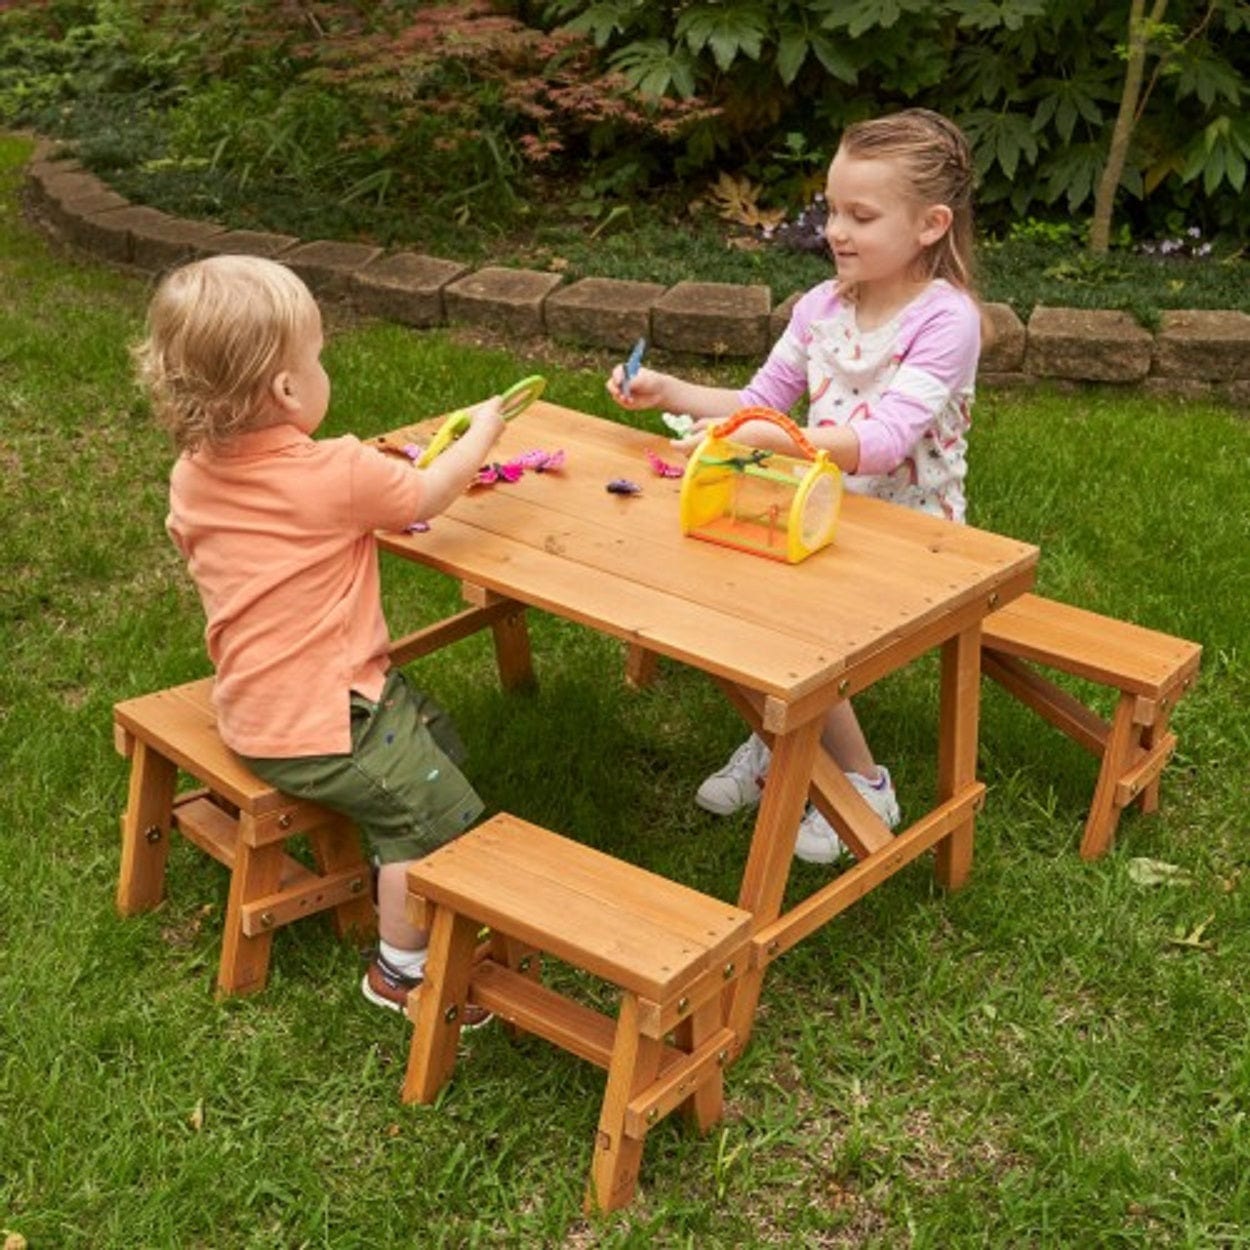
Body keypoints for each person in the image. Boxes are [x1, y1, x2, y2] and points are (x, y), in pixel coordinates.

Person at [607, 108, 981, 866]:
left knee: (778, 617)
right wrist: (672, 390)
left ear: (930, 225)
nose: (836, 231)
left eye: (861, 216)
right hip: (818, 508)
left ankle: (861, 783)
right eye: (832, 210)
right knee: (713, 582)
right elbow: (760, 402)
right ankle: (778, 738)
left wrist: (778, 439)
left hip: (916, 536)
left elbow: (883, 441)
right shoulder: (821, 307)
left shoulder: (947, 320)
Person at [134, 254, 506, 1012]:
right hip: (330, 723)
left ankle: (391, 847)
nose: (324, 368)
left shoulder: (193, 472)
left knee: (433, 732)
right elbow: (427, 494)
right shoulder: (338, 471)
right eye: (318, 357)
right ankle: (400, 970)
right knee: (431, 822)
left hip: (251, 706)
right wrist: (482, 434)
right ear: (286, 389)